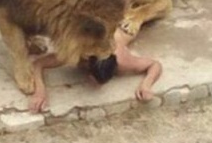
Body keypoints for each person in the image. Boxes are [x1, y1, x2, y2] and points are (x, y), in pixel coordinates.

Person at [28, 29, 162, 113]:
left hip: (122, 29)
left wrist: (146, 85)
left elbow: (155, 65)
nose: (97, 86)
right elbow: (38, 64)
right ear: (86, 65)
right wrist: (40, 91)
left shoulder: (122, 61)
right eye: (95, 80)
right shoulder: (77, 54)